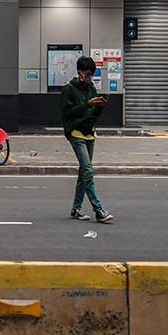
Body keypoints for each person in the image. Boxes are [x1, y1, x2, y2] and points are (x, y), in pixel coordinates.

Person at [62, 56, 114, 224]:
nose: (90, 77)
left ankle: (76, 208)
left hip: (89, 133)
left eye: (92, 74)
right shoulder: (68, 89)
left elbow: (92, 116)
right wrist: (87, 104)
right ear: (80, 72)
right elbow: (67, 113)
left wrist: (99, 107)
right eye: (88, 73)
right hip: (76, 133)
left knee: (83, 173)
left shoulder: (91, 88)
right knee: (88, 171)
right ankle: (98, 209)